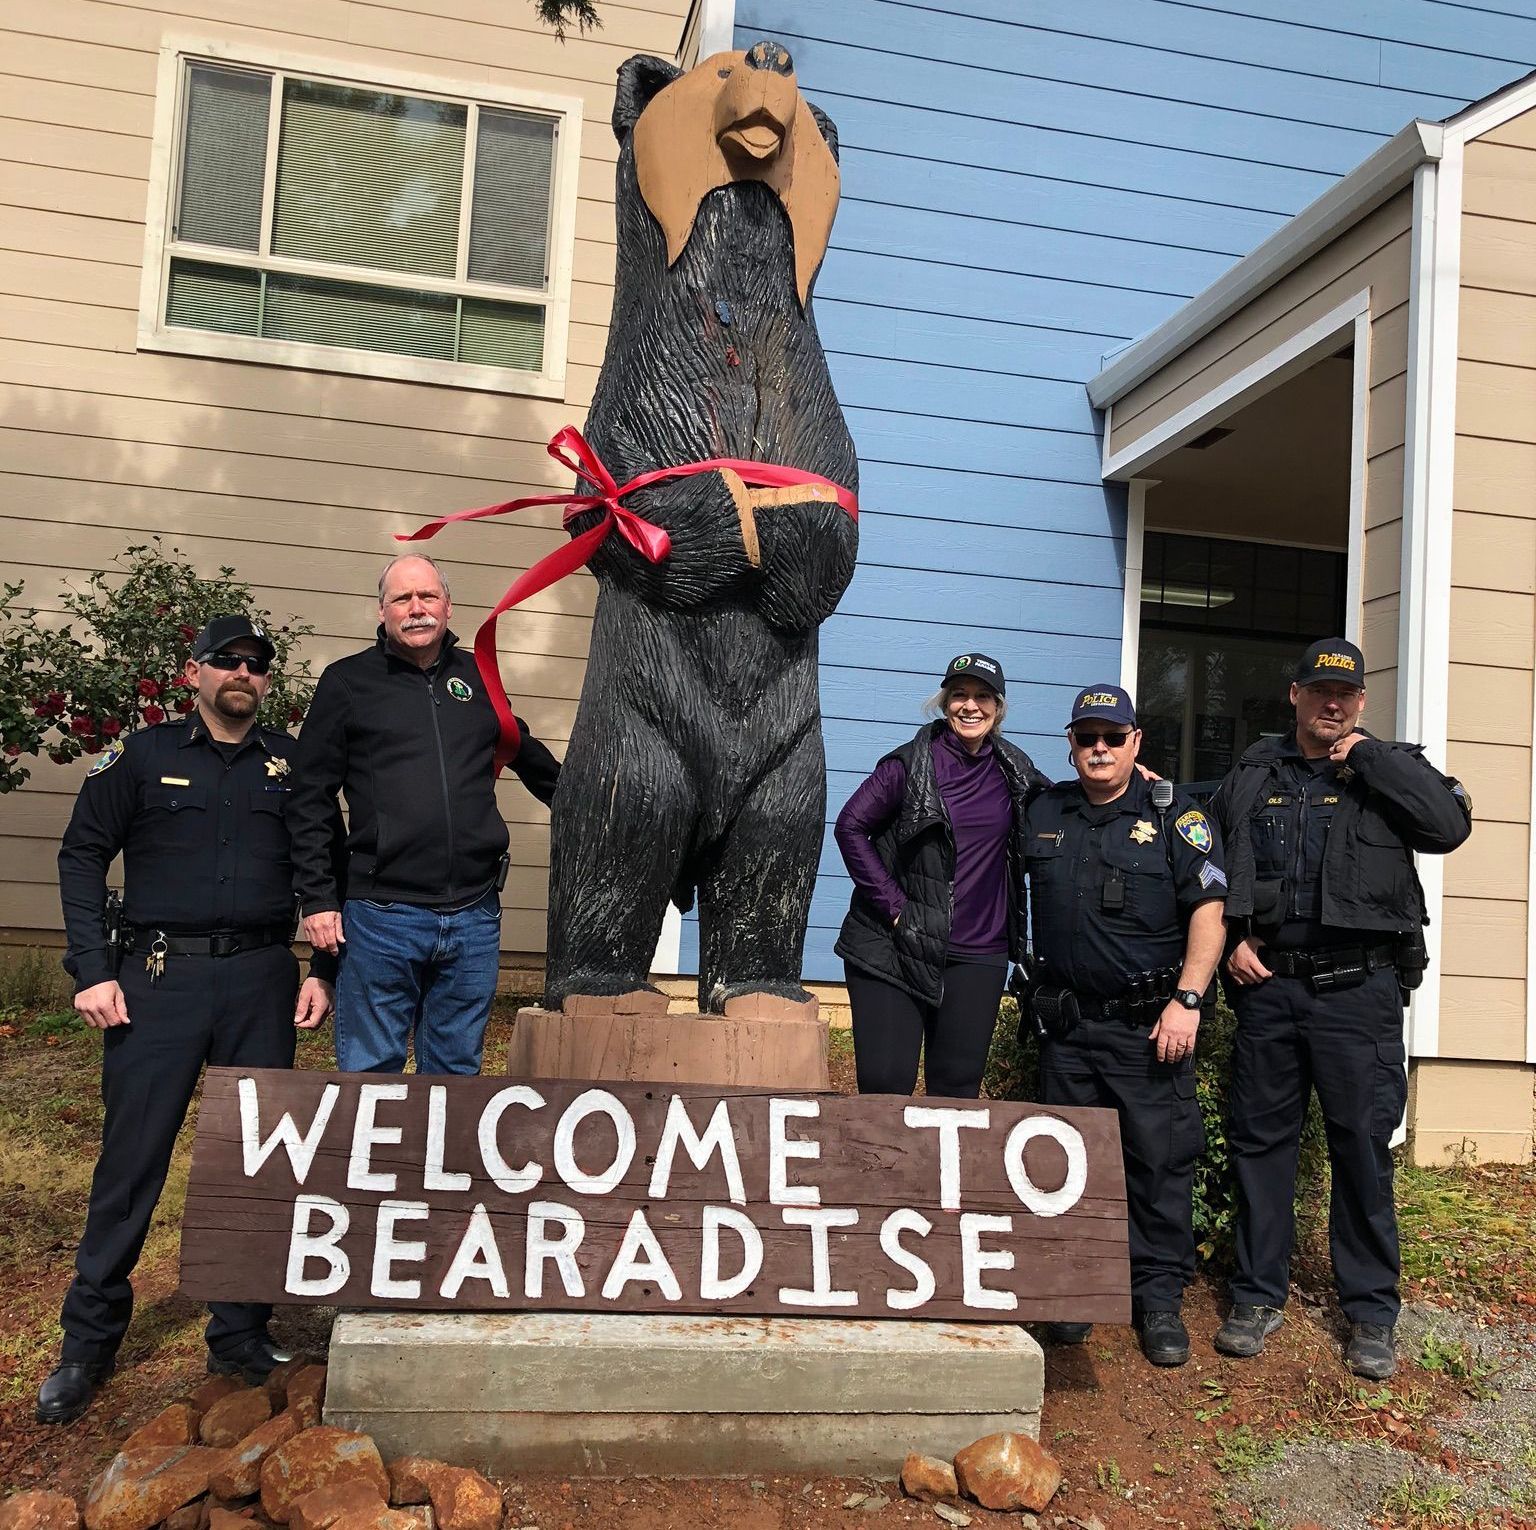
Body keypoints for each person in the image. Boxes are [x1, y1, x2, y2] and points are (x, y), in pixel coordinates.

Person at [39, 617, 335, 1425]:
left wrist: (325, 971)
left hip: (262, 980)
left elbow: (325, 870)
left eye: (257, 665)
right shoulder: (141, 757)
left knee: (256, 1162)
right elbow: (80, 856)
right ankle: (87, 1345)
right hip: (158, 980)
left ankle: (240, 1331)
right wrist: (92, 968)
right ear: (192, 673)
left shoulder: (291, 762)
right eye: (227, 662)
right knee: (132, 1162)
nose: (243, 672)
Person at [1210, 638, 1471, 1380]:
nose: (1333, 703)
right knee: (1261, 1144)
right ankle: (1258, 1294)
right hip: (1271, 989)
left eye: (1347, 694)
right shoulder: (1257, 772)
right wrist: (1232, 938)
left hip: (1359, 993)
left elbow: (1447, 828)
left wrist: (1368, 757)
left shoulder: (1390, 771)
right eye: (1321, 690)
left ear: (1360, 702)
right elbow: (1215, 860)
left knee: (1360, 1147)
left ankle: (1369, 1311)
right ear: (1294, 695)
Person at [288, 553, 560, 1076]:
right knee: (372, 1072)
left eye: (427, 596)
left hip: (475, 915)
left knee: (456, 1073)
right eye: (402, 599)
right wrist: (319, 898)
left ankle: (442, 1165)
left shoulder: (479, 678)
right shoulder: (347, 683)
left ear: (448, 607)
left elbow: (526, 753)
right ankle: (376, 1163)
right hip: (381, 915)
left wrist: (598, 808)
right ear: (382, 610)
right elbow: (309, 799)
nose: (417, 608)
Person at [1023, 684, 1227, 1367]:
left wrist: (1189, 1000)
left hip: (1149, 1029)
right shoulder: (1045, 810)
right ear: (1071, 744)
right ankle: (1075, 1294)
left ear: (1138, 742)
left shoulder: (1176, 817)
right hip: (1068, 1028)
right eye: (1088, 738)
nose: (1100, 748)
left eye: (1114, 736)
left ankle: (1159, 1300)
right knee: (1062, 1167)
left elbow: (1209, 912)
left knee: (1158, 1164)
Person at [834, 653, 1050, 1098]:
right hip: (893, 946)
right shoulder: (910, 764)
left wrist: (1134, 784)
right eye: (960, 695)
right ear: (944, 702)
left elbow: (1068, 805)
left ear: (999, 706)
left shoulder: (1014, 769)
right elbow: (850, 826)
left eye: (983, 696)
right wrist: (895, 909)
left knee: (955, 1095)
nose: (971, 706)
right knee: (885, 1091)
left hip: (978, 954)